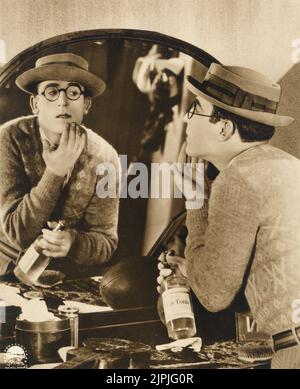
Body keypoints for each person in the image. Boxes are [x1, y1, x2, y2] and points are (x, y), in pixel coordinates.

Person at [158, 62, 300, 368]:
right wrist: (193, 268)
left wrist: (196, 199)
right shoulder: (287, 165)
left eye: (195, 109)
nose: (186, 117)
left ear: (223, 128)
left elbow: (213, 295)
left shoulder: (236, 179)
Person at [0, 53, 120, 280]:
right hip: (3, 272)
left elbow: (106, 242)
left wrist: (74, 242)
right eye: (52, 91)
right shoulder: (9, 138)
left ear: (86, 104)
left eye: (73, 92)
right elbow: (18, 232)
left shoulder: (106, 157)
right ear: (35, 103)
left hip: (65, 279)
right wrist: (55, 171)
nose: (63, 101)